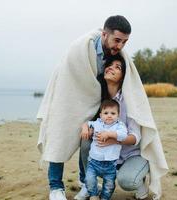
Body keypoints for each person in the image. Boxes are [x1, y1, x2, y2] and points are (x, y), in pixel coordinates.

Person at [37, 15, 168, 200]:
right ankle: (56, 187)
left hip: (99, 103)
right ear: (104, 34)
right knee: (59, 137)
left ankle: (85, 181)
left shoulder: (118, 57)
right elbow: (68, 75)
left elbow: (129, 80)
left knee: (89, 140)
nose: (120, 46)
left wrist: (112, 135)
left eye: (124, 42)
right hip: (71, 97)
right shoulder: (80, 48)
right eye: (117, 40)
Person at [75, 54, 150, 200]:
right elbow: (91, 122)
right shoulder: (98, 97)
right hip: (107, 155)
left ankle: (140, 179)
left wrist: (114, 139)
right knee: (85, 140)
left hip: (130, 154)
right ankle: (88, 184)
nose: (111, 68)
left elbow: (135, 137)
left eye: (118, 67)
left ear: (123, 76)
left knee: (127, 181)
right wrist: (86, 127)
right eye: (110, 65)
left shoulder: (129, 101)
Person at [81, 99, 127, 200]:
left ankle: (104, 197)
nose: (109, 115)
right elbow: (87, 123)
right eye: (106, 113)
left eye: (113, 113)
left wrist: (109, 134)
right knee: (89, 180)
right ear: (101, 115)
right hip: (93, 162)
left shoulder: (119, 126)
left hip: (110, 164)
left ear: (118, 115)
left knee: (109, 185)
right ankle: (93, 194)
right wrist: (84, 128)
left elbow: (123, 136)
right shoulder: (97, 123)